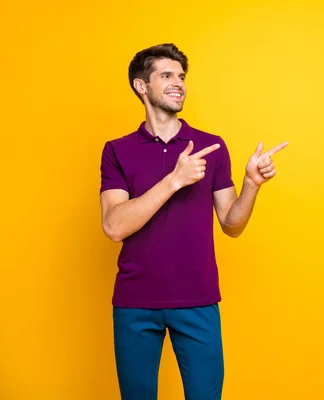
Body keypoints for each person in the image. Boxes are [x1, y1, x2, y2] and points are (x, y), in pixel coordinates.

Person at [99, 43, 287, 400]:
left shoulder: (211, 146)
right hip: (135, 303)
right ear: (141, 86)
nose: (178, 83)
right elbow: (113, 226)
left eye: (181, 76)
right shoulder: (117, 150)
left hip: (197, 300)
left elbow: (232, 225)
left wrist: (251, 185)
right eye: (166, 75)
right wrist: (174, 180)